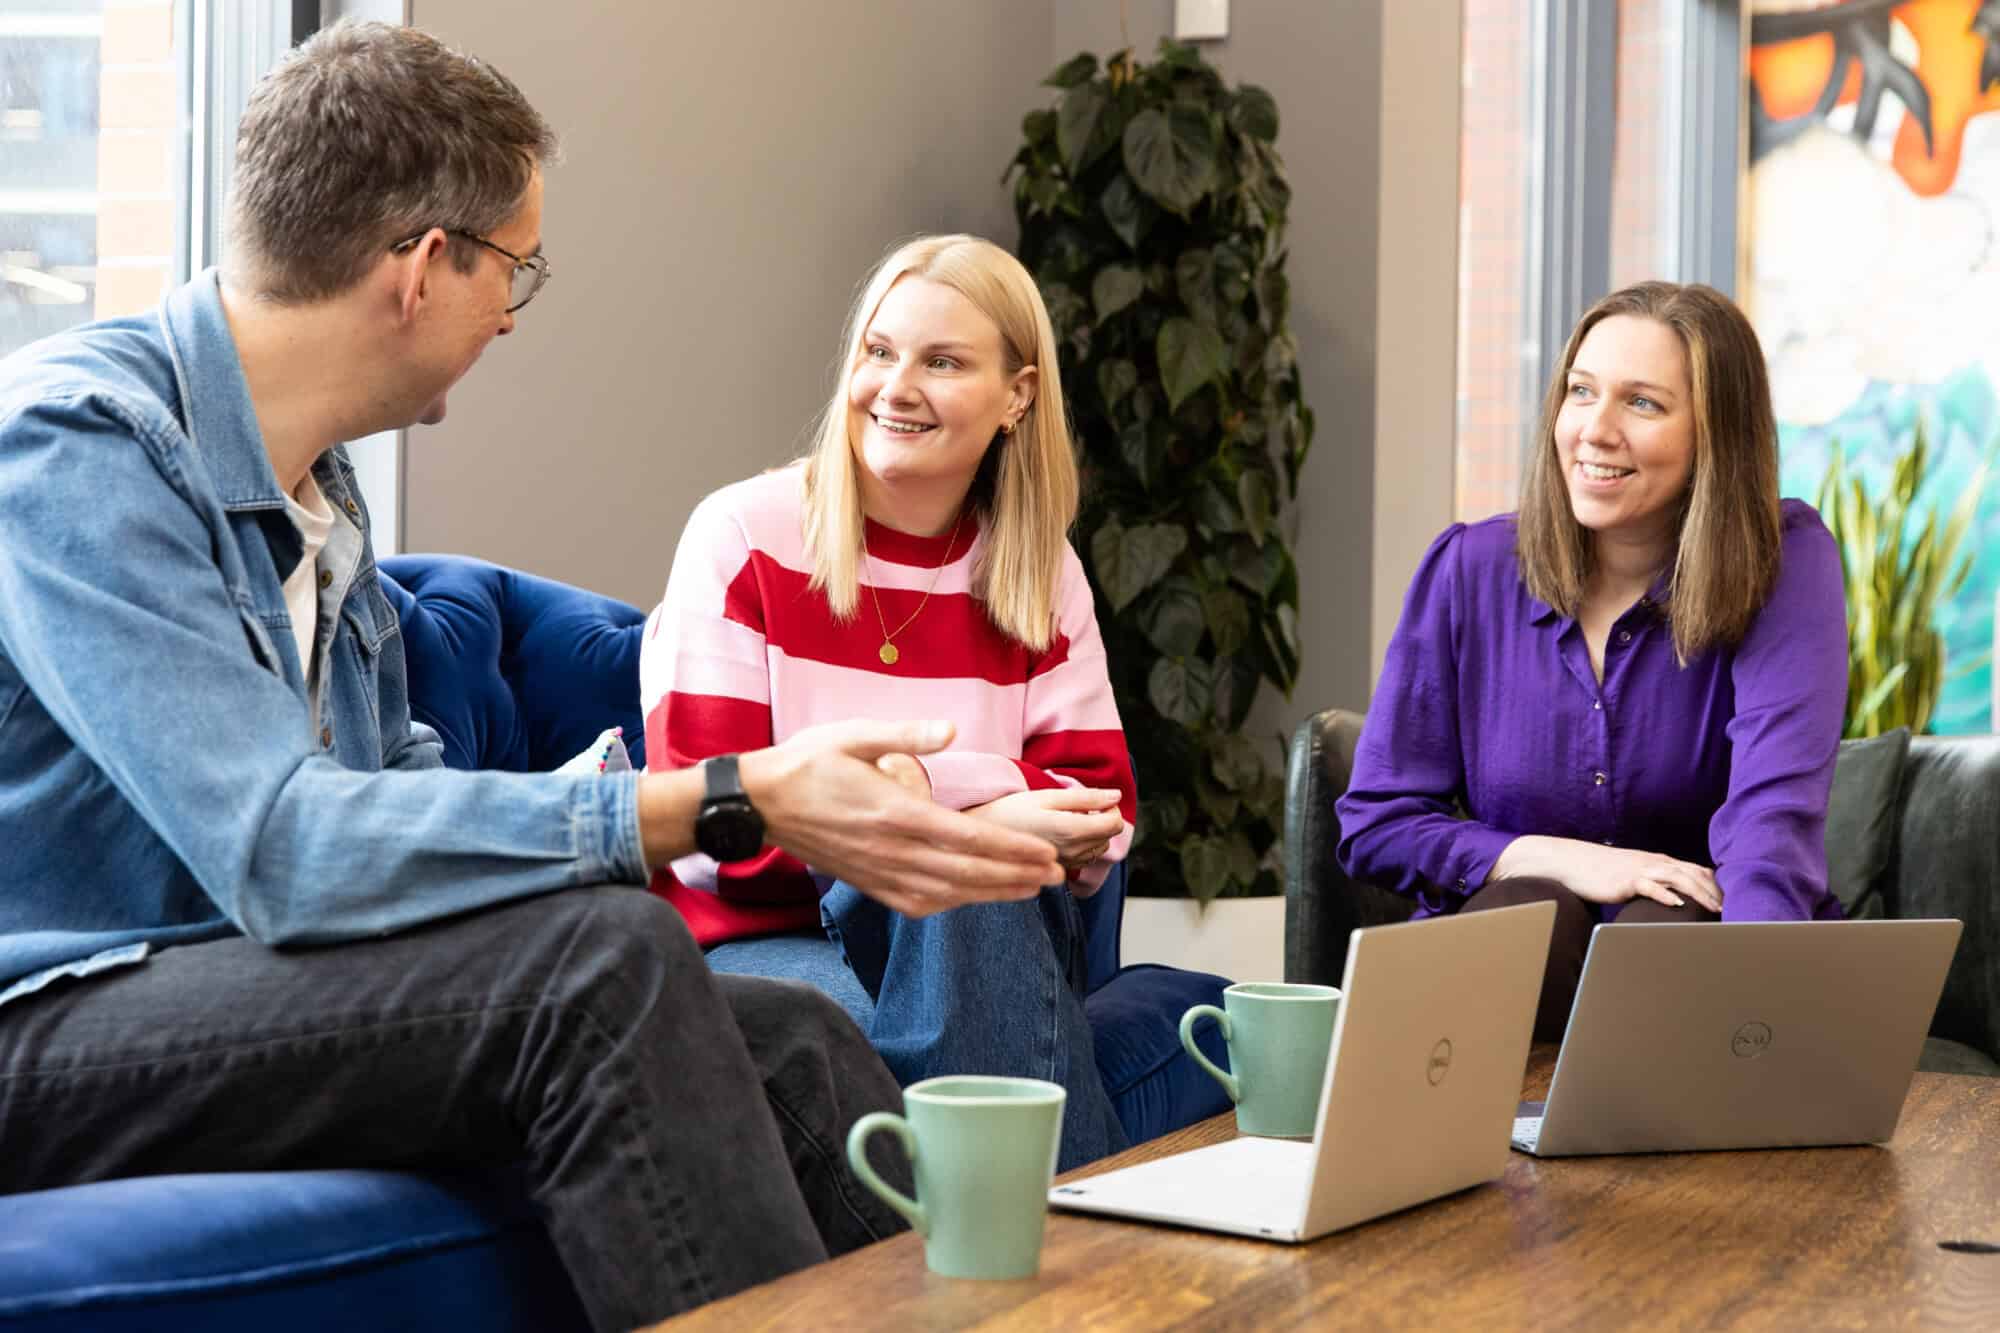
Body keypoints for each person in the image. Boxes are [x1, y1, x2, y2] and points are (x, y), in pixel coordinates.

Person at [0, 22, 1071, 1332]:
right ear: (422, 267)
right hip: (53, 1018)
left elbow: (387, 799)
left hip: (255, 986)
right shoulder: (73, 445)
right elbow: (281, 844)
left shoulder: (321, 494)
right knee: (596, 969)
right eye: (513, 269)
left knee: (792, 1038)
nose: (510, 311)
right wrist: (725, 798)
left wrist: (621, 798)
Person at [640, 234, 1134, 1169]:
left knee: (969, 870)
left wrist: (923, 793)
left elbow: (1102, 810)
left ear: (1017, 395)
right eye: (879, 351)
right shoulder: (744, 537)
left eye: (941, 361)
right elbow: (705, 823)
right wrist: (952, 814)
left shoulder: (1039, 569)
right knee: (968, 857)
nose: (895, 386)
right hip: (765, 936)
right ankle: (1080, 1258)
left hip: (993, 937)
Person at [1335, 281, 1849, 1041]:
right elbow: (1375, 822)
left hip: (1688, 977)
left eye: (1642, 403)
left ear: (1716, 434)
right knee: (1529, 913)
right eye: (1582, 392)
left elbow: (1772, 820)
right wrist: (1551, 857)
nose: (1595, 430)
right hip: (1507, 974)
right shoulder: (1469, 569)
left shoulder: (1782, 564)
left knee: (1657, 930)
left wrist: (1758, 1019)